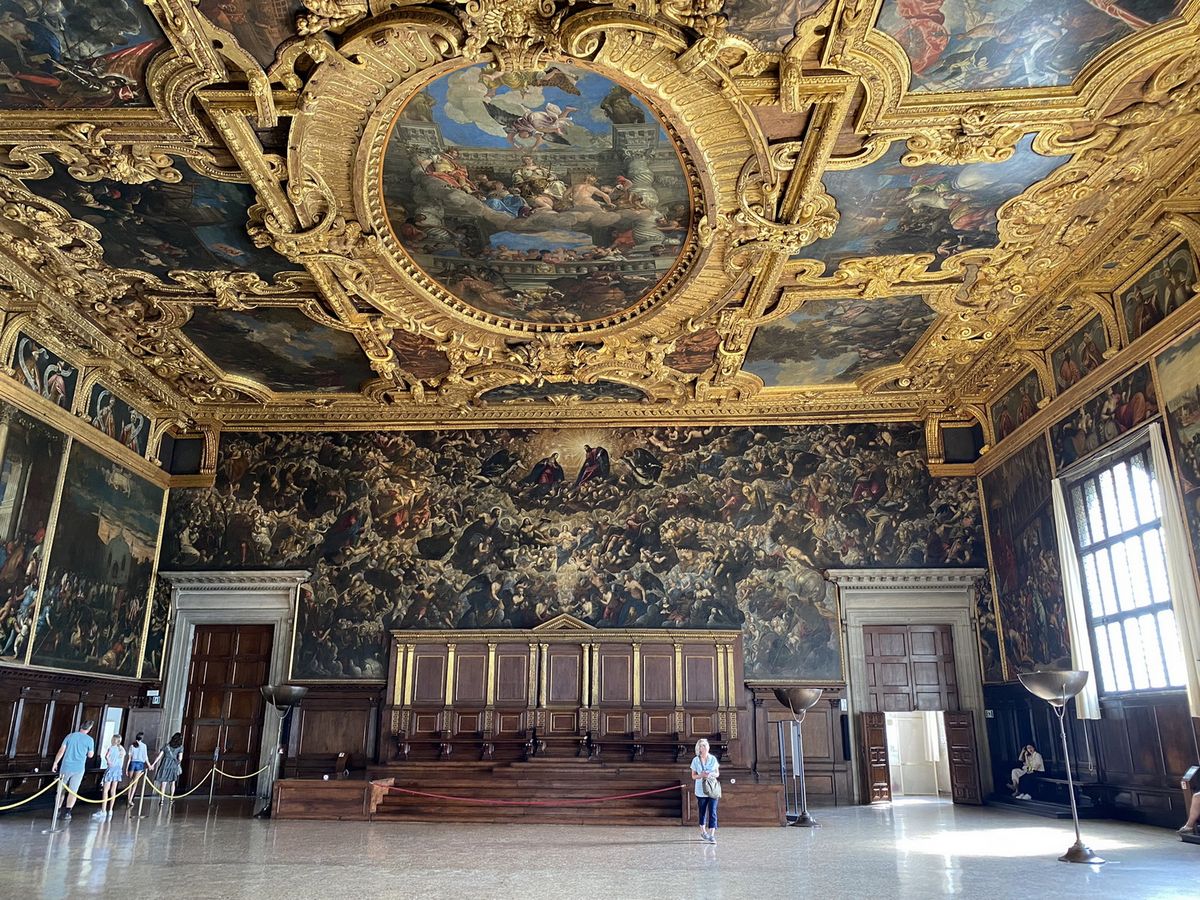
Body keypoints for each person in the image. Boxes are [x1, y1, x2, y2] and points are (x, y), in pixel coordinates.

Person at [51, 719, 95, 820]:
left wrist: (55, 762)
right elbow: (90, 755)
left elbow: (61, 751)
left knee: (61, 791)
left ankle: (57, 810)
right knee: (73, 791)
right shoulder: (89, 740)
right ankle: (67, 812)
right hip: (78, 769)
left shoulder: (70, 736)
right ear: (89, 729)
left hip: (65, 767)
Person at [690, 738, 719, 843]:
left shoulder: (713, 759)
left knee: (713, 811)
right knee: (702, 811)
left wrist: (709, 774)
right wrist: (701, 775)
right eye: (702, 746)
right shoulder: (695, 760)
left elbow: (717, 774)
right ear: (699, 748)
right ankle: (703, 831)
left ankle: (712, 835)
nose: (704, 747)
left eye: (705, 745)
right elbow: (693, 776)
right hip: (700, 789)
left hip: (712, 789)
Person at [150, 732, 185, 803]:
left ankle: (162, 800)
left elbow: (159, 756)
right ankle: (171, 799)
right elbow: (180, 758)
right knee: (172, 783)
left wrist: (153, 764)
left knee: (163, 783)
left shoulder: (166, 746)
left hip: (165, 765)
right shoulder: (180, 747)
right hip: (173, 765)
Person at [98, 734, 125, 817]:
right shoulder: (122, 749)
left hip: (111, 769)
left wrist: (108, 761)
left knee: (105, 790)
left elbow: (106, 756)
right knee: (113, 790)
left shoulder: (111, 748)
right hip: (117, 770)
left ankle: (103, 810)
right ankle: (110, 810)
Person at [125, 731, 150, 805]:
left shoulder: (132, 746)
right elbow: (145, 757)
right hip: (140, 764)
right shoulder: (144, 746)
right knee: (135, 783)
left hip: (132, 763)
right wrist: (149, 765)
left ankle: (128, 798)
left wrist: (126, 768)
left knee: (130, 782)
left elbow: (129, 758)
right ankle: (131, 799)